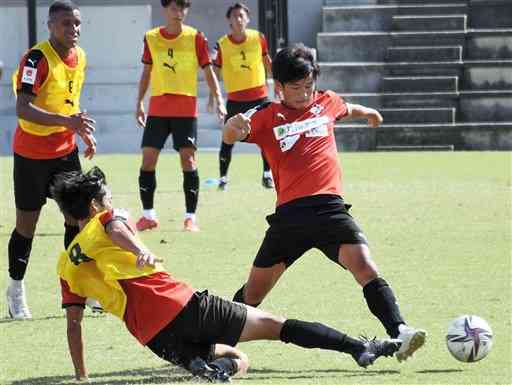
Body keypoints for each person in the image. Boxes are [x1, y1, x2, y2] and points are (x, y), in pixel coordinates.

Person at [51, 166, 401, 382]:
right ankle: (359, 347)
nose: (111, 202)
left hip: (154, 338)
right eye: (107, 197)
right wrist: (139, 249)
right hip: (182, 305)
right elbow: (115, 227)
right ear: (95, 205)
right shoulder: (108, 218)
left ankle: (210, 368)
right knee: (276, 327)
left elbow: (72, 324)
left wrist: (82, 375)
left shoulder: (66, 264)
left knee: (238, 359)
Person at [223, 44, 427, 362]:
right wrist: (234, 128)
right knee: (253, 293)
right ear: (279, 87)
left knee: (365, 266)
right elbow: (230, 133)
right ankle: (216, 338)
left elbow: (347, 109)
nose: (304, 93)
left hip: (331, 210)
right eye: (296, 88)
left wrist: (369, 113)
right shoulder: (265, 116)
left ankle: (400, 332)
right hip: (290, 218)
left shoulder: (326, 102)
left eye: (309, 86)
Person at [5, 0, 97, 320]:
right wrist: (66, 121)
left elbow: (70, 102)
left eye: (77, 23)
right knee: (26, 228)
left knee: (79, 219)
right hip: (31, 155)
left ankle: (81, 284)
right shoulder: (36, 58)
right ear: (50, 25)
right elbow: (23, 108)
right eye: (65, 24)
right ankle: (15, 290)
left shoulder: (81, 56)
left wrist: (81, 131)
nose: (73, 29)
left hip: (65, 152)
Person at [135, 0, 226, 232]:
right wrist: (139, 103)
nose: (179, 13)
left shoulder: (196, 37)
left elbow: (208, 71)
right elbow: (146, 72)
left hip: (185, 108)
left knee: (188, 160)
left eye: (183, 8)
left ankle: (190, 218)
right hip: (158, 108)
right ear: (165, 9)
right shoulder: (151, 37)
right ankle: (148, 216)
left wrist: (219, 99)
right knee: (148, 160)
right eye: (175, 8)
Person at [210, 2, 274, 190]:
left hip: (260, 97)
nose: (238, 19)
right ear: (229, 20)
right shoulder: (222, 44)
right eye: (234, 16)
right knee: (227, 139)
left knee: (267, 137)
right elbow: (214, 70)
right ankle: (223, 178)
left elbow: (266, 61)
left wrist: (277, 84)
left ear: (248, 19)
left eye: (241, 16)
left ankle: (267, 174)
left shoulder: (258, 38)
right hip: (236, 100)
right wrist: (214, 97)